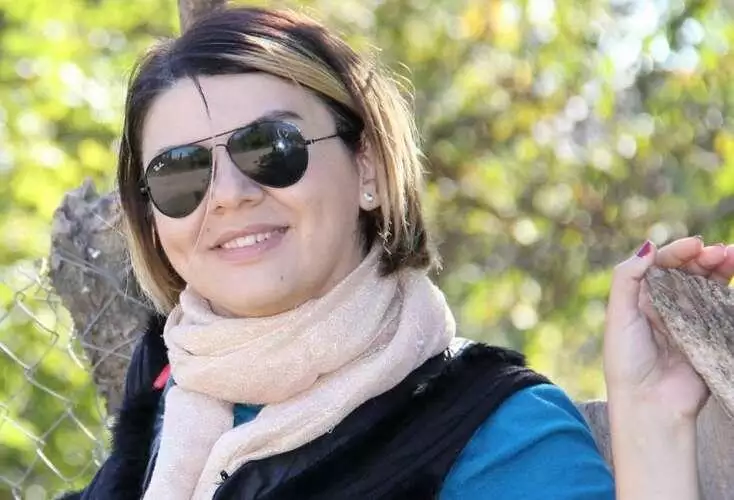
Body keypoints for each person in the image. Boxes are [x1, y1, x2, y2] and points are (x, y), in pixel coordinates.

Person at [60, 6, 732, 500]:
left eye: (270, 149)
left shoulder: (489, 429)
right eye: (180, 174)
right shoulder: (163, 415)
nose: (230, 195)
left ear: (371, 170)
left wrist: (652, 426)